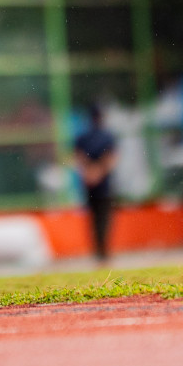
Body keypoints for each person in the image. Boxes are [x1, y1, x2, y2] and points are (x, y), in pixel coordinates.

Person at [73, 104, 117, 262]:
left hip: (89, 182)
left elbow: (79, 156)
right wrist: (99, 171)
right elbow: (110, 157)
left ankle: (98, 250)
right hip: (103, 182)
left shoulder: (82, 137)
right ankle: (103, 250)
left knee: (92, 218)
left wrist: (89, 171)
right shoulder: (107, 136)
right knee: (104, 216)